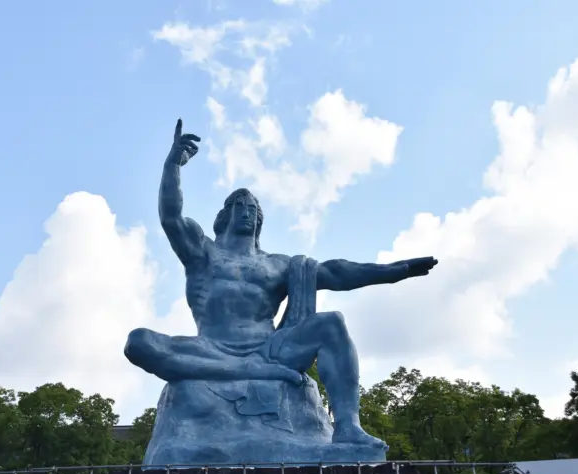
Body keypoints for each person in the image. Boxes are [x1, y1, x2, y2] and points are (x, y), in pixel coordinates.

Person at [125, 119, 438, 446]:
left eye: (253, 209)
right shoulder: (203, 252)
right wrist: (173, 164)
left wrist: (394, 270)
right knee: (138, 342)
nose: (248, 212)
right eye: (241, 206)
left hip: (269, 351)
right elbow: (171, 218)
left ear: (260, 221)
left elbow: (337, 273)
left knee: (331, 324)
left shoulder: (277, 265)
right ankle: (246, 372)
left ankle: (348, 427)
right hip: (211, 347)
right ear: (226, 214)